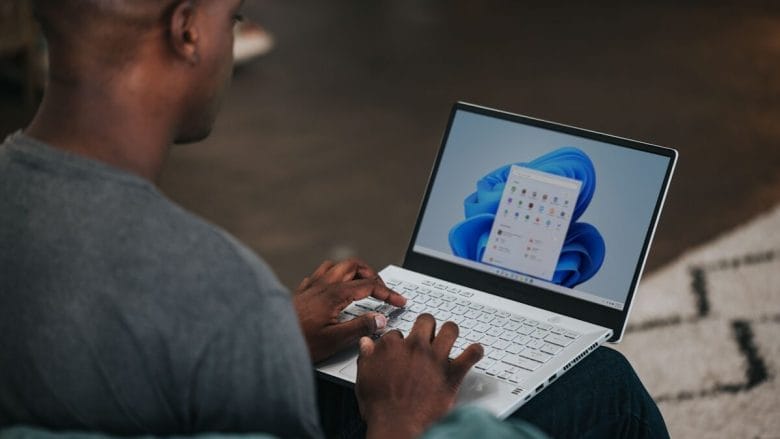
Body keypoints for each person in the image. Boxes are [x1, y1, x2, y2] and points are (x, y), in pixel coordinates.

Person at [0, 1, 669, 438]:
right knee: (605, 387)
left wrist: (277, 333)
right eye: (234, 14)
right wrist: (401, 418)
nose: (234, 34)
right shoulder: (211, 286)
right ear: (186, 30)